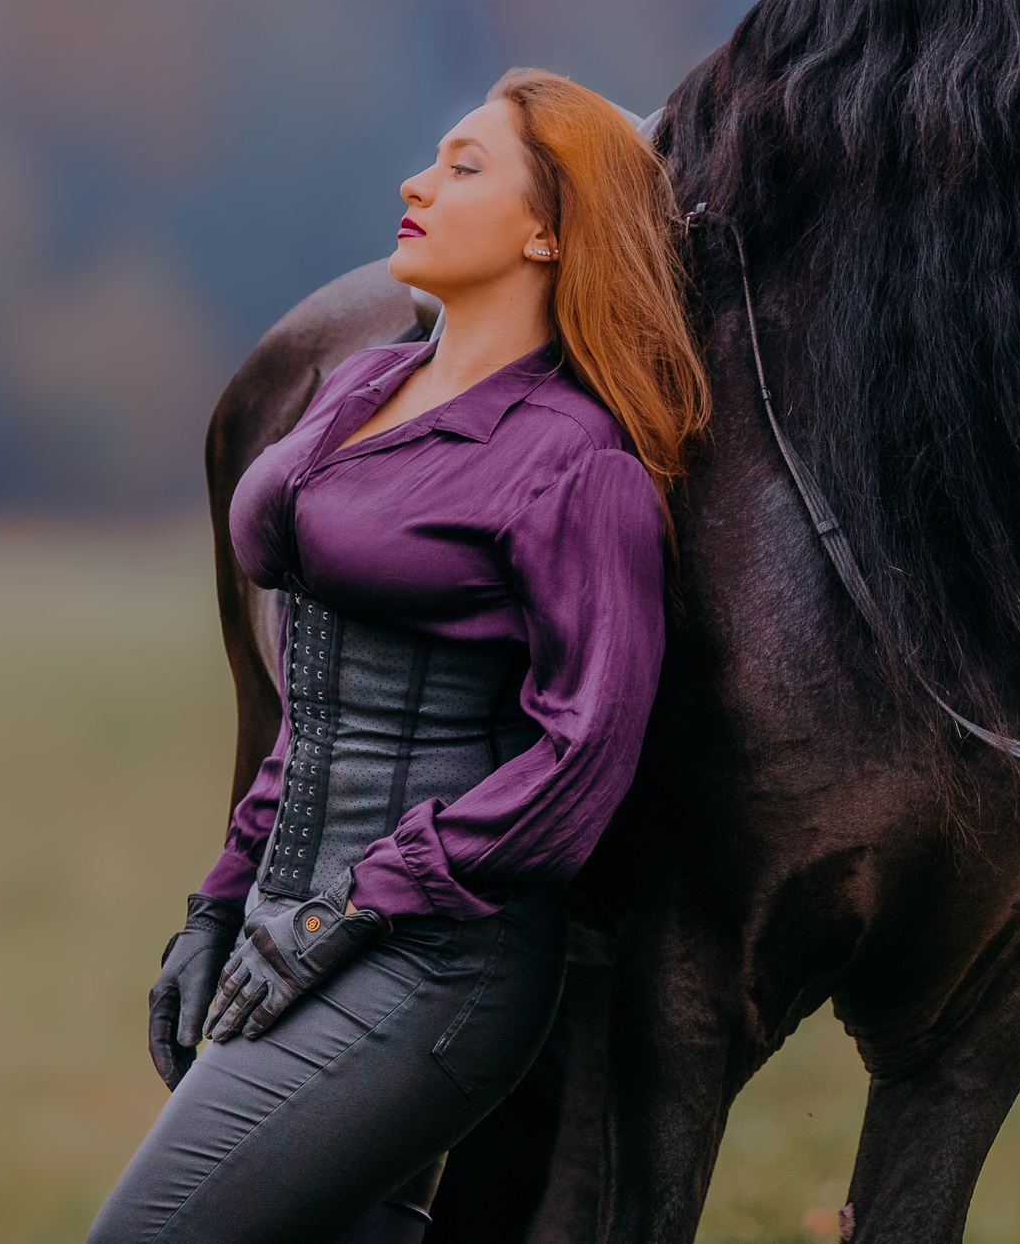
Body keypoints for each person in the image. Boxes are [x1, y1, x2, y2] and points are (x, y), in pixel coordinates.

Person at [89, 69, 708, 1243]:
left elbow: (580, 766)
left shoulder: (578, 464)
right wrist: (220, 901)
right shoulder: (364, 385)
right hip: (284, 925)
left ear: (548, 228)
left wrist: (348, 909)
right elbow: (311, 702)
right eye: (434, 157)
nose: (417, 184)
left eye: (466, 168)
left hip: (433, 964)